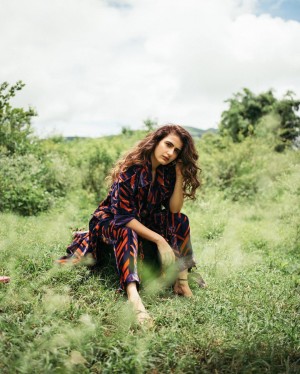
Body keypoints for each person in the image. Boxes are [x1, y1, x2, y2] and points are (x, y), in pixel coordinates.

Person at [58, 124, 202, 324]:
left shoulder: (166, 172)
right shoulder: (131, 170)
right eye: (168, 145)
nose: (170, 153)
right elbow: (124, 217)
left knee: (180, 220)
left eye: (176, 150)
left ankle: (182, 282)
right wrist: (159, 239)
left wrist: (179, 175)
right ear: (156, 142)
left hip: (143, 219)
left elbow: (174, 210)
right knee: (127, 229)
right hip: (111, 220)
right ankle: (133, 297)